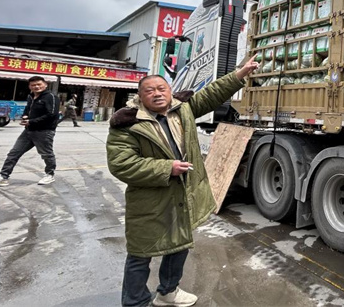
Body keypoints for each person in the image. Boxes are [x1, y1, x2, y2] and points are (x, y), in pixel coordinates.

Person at [106, 59, 258, 307]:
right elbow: (121, 164)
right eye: (150, 91)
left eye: (161, 88)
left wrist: (240, 74)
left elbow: (212, 93)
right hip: (150, 200)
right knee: (140, 253)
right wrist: (167, 168)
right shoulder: (127, 125)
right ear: (140, 96)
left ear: (169, 90)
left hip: (183, 194)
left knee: (179, 244)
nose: (157, 94)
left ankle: (168, 292)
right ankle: (135, 302)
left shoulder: (181, 109)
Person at [0, 76, 59, 187]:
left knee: (46, 154)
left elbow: (51, 114)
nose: (36, 87)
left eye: (39, 84)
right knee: (14, 153)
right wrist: (25, 117)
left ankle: (49, 174)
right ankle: (3, 177)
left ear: (45, 84)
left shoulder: (51, 97)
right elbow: (27, 109)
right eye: (33, 85)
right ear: (30, 86)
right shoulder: (31, 96)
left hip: (44, 131)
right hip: (28, 131)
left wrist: (31, 121)